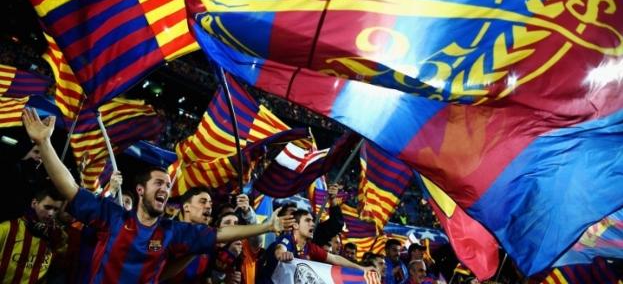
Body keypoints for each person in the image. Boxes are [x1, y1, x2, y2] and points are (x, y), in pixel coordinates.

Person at [22, 108, 294, 283]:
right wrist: (44, 143)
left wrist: (267, 226)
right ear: (140, 190)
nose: (165, 188)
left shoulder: (172, 232)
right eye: (158, 183)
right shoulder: (113, 217)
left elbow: (221, 233)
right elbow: (70, 188)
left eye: (167, 184)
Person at [260, 210, 375, 283]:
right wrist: (282, 255)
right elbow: (280, 249)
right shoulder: (287, 239)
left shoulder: (309, 247)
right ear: (295, 225)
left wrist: (362, 268)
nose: (313, 224)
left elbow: (335, 258)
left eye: (313, 221)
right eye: (308, 221)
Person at [0, 186, 64, 283]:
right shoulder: (6, 229)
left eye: (56, 210)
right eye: (47, 207)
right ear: (34, 203)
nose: (51, 213)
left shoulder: (58, 235)